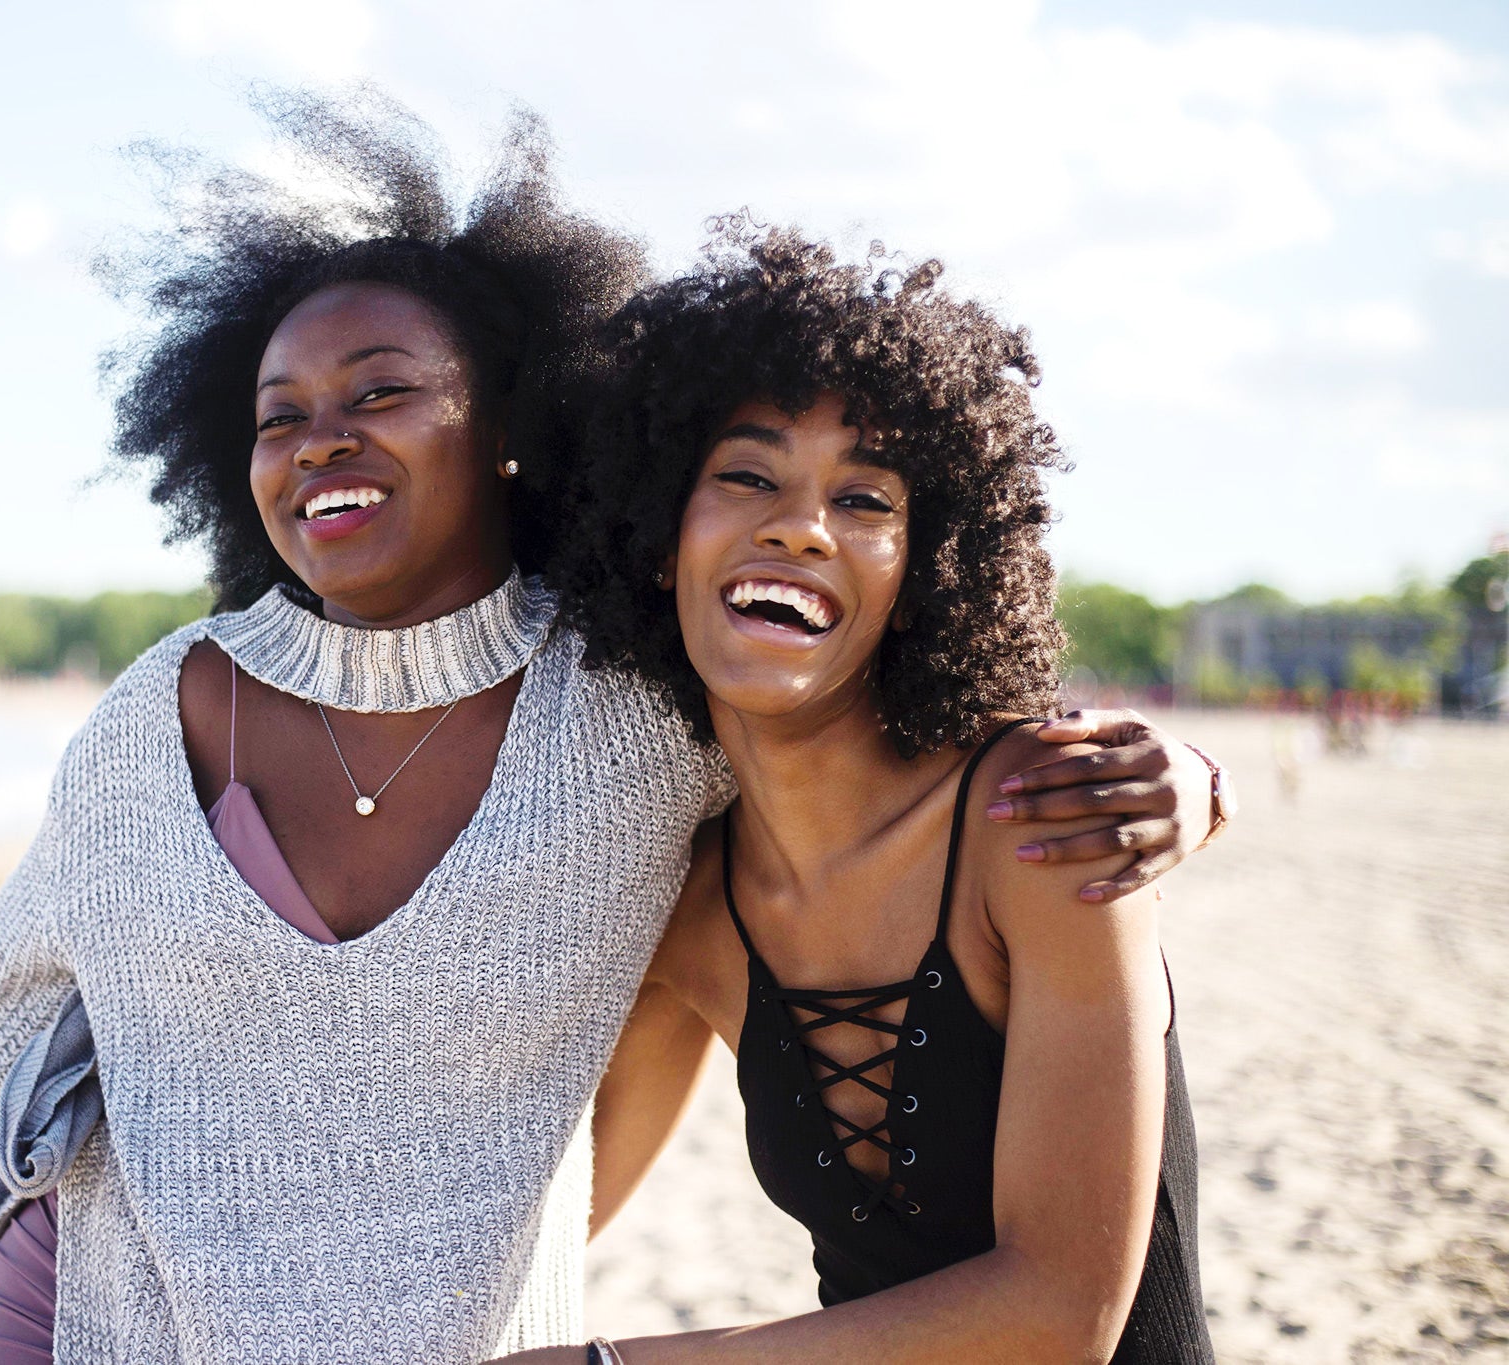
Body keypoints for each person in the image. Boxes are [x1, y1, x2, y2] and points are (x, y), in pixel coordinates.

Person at [0, 98, 1220, 1365]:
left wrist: (1187, 782)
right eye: (278, 416)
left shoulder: (638, 722)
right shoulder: (162, 713)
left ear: (510, 433)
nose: (321, 442)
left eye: (381, 392)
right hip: (85, 1314)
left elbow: (885, 752)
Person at [504, 223, 1215, 1362]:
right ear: (652, 536)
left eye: (867, 500)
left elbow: (1060, 1313)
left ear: (926, 569)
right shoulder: (686, 908)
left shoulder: (1040, 821)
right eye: (746, 475)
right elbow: (533, 1228)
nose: (798, 523)